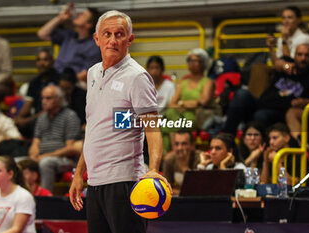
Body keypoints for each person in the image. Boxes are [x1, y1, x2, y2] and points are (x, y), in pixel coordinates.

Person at [69, 10, 171, 233]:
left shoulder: (137, 77)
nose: (112, 40)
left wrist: (153, 169)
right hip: (95, 183)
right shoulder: (93, 73)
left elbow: (152, 129)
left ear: (130, 39)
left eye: (119, 34)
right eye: (107, 34)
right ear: (97, 39)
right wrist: (79, 174)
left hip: (124, 182)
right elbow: (95, 129)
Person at [223, 43, 309, 135]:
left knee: (260, 115)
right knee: (241, 94)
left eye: (307, 55)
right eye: (300, 54)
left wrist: (305, 101)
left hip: (282, 110)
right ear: (294, 55)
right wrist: (285, 65)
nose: (303, 58)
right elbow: (277, 63)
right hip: (264, 102)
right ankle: (227, 135)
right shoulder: (287, 63)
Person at [29, 85, 81, 192]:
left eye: (48, 98)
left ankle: (45, 199)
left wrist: (45, 156)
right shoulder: (41, 118)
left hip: (66, 160)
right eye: (42, 98)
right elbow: (35, 142)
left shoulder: (70, 116)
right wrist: (34, 156)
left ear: (59, 99)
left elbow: (70, 148)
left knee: (46, 163)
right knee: (18, 163)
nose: (44, 101)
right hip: (43, 156)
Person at [37, 6, 101, 88]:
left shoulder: (93, 45)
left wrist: (63, 80)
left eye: (83, 15)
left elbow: (84, 74)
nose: (79, 15)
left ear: (89, 24)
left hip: (72, 83)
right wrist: (60, 18)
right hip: (54, 77)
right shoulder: (69, 35)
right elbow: (42, 34)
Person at [14, 48, 60, 138]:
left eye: (45, 59)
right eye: (39, 60)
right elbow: (27, 105)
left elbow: (52, 108)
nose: (42, 63)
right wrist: (19, 118)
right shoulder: (34, 83)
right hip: (36, 118)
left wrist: (27, 120)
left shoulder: (58, 80)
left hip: (55, 116)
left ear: (52, 61)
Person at [162, 131, 201, 195]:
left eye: (184, 144)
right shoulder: (169, 160)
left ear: (192, 145)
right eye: (177, 144)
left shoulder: (200, 158)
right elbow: (166, 188)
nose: (179, 148)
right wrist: (182, 193)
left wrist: (184, 166)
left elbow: (197, 189)